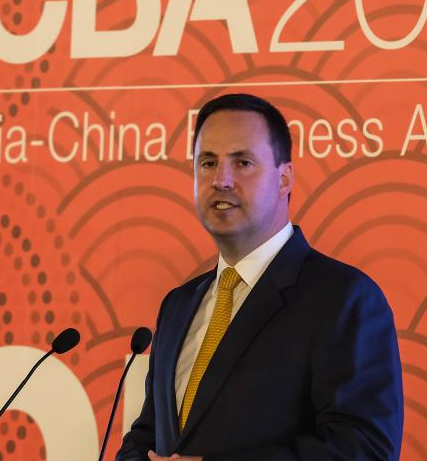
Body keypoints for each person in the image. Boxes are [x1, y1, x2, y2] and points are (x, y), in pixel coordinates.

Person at [116, 93, 403, 460]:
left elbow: (364, 449)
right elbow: (146, 436)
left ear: (285, 178)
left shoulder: (343, 299)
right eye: (207, 163)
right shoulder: (178, 305)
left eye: (242, 162)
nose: (221, 180)